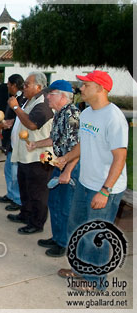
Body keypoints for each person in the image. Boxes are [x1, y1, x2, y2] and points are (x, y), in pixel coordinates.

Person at [56, 71, 128, 291]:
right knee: (77, 228)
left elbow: (120, 156)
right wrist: (67, 158)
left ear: (100, 88)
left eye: (85, 85)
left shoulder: (113, 117)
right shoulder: (86, 113)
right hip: (85, 183)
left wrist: (105, 191)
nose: (81, 88)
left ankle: (96, 280)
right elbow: (83, 144)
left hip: (105, 187)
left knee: (96, 235)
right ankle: (80, 270)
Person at [25, 80, 80, 257]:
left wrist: (68, 171)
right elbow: (54, 139)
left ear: (63, 96)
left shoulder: (71, 114)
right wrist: (36, 144)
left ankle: (64, 243)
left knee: (65, 206)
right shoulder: (59, 113)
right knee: (54, 203)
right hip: (59, 164)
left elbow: (77, 147)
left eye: (51, 93)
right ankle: (57, 238)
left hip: (69, 167)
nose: (47, 96)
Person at [7, 72, 54, 234]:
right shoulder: (31, 100)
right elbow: (23, 118)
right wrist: (10, 122)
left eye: (27, 84)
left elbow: (33, 124)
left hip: (38, 157)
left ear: (38, 87)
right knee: (25, 188)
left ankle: (36, 223)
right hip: (25, 155)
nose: (23, 87)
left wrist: (15, 107)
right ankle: (25, 214)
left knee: (37, 192)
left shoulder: (44, 103)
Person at [0, 74, 27, 211]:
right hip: (10, 141)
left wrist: (0, 126)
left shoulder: (22, 100)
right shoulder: (14, 99)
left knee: (15, 173)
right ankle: (11, 194)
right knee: (8, 170)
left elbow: (16, 120)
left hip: (18, 142)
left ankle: (18, 199)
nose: (7, 86)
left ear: (14, 85)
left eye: (8, 84)